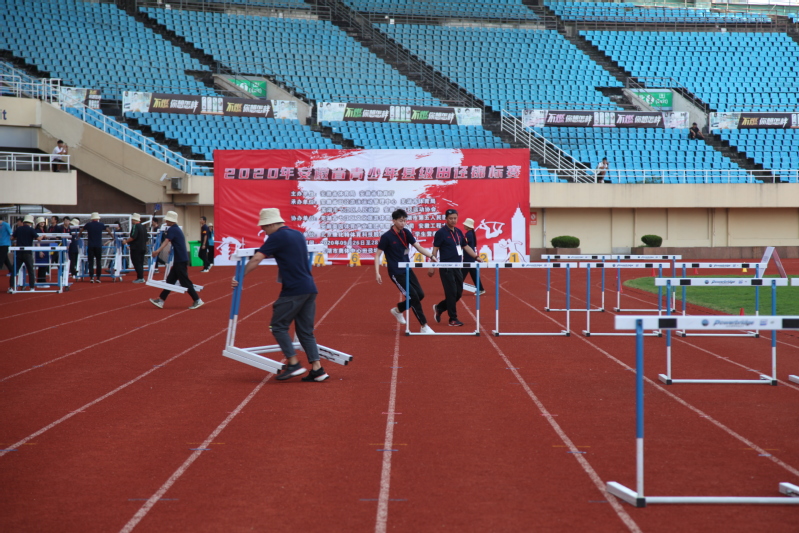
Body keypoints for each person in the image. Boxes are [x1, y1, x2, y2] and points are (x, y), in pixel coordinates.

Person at [230, 208, 328, 382]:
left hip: (293, 290)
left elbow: (256, 258)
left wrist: (239, 276)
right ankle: (318, 369)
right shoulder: (298, 234)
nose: (263, 231)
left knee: (278, 326)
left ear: (271, 224)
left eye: (264, 227)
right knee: (306, 331)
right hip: (310, 288)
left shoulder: (276, 237)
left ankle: (293, 363)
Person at [375, 208, 436, 334]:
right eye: (400, 221)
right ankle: (424, 326)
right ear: (394, 221)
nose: (403, 223)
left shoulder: (406, 233)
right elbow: (377, 255)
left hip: (407, 269)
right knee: (413, 296)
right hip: (396, 272)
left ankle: (398, 310)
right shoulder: (386, 237)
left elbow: (418, 247)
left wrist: (431, 256)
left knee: (420, 294)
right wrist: (377, 272)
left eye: (404, 220)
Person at [429, 209, 481, 327]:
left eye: (455, 218)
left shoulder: (458, 232)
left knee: (458, 293)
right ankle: (453, 318)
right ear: (446, 219)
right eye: (450, 218)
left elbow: (465, 246)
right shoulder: (441, 233)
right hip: (446, 268)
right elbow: (435, 249)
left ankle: (440, 307)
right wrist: (432, 266)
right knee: (451, 293)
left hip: (458, 267)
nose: (453, 220)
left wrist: (476, 256)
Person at [149, 210, 204, 310]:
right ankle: (161, 300)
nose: (166, 222)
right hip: (180, 259)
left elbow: (166, 241)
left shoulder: (172, 229)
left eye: (167, 220)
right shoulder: (176, 229)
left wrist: (157, 251)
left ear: (170, 221)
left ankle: (197, 300)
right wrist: (171, 249)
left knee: (185, 282)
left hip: (180, 260)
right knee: (170, 280)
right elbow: (176, 242)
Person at [80, 212, 113, 283]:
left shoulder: (88, 224)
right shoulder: (101, 224)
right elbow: (107, 229)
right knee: (98, 262)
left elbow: (82, 229)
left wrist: (78, 236)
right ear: (98, 218)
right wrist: (112, 236)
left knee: (90, 262)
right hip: (98, 245)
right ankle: (98, 277)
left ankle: (91, 277)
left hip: (90, 245)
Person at [11, 215, 42, 290]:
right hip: (28, 253)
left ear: (24, 222)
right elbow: (38, 239)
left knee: (15, 270)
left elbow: (12, 238)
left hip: (19, 252)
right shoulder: (31, 230)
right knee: (31, 271)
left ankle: (11, 287)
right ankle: (32, 287)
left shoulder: (18, 229)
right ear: (31, 223)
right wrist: (43, 236)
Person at [461, 218, 484, 296]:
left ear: (468, 226)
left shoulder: (468, 234)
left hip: (468, 257)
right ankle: (480, 289)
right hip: (470, 257)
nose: (464, 225)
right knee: (473, 274)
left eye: (465, 224)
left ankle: (456, 288)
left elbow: (464, 244)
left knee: (462, 274)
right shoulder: (471, 233)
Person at [122, 213, 147, 283]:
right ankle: (141, 277)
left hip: (136, 248)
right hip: (143, 247)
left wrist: (126, 241)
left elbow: (133, 237)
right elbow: (147, 237)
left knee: (136, 262)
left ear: (134, 220)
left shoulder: (135, 226)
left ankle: (140, 277)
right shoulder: (143, 227)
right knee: (140, 263)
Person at [34, 217, 49, 283]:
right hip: (40, 248)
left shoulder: (45, 230)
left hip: (45, 248)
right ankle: (41, 281)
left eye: (43, 222)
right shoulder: (37, 231)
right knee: (41, 265)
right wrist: (40, 251)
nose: (42, 223)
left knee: (44, 266)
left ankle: (42, 280)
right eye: (40, 222)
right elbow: (37, 240)